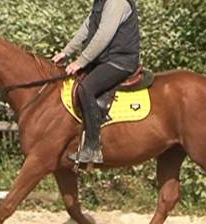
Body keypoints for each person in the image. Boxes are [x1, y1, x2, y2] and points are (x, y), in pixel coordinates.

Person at [52, 0, 140, 164]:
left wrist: (81, 61)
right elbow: (87, 27)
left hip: (120, 61)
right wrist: (66, 52)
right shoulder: (101, 2)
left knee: (86, 88)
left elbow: (103, 35)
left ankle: (93, 148)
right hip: (104, 60)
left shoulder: (117, 2)